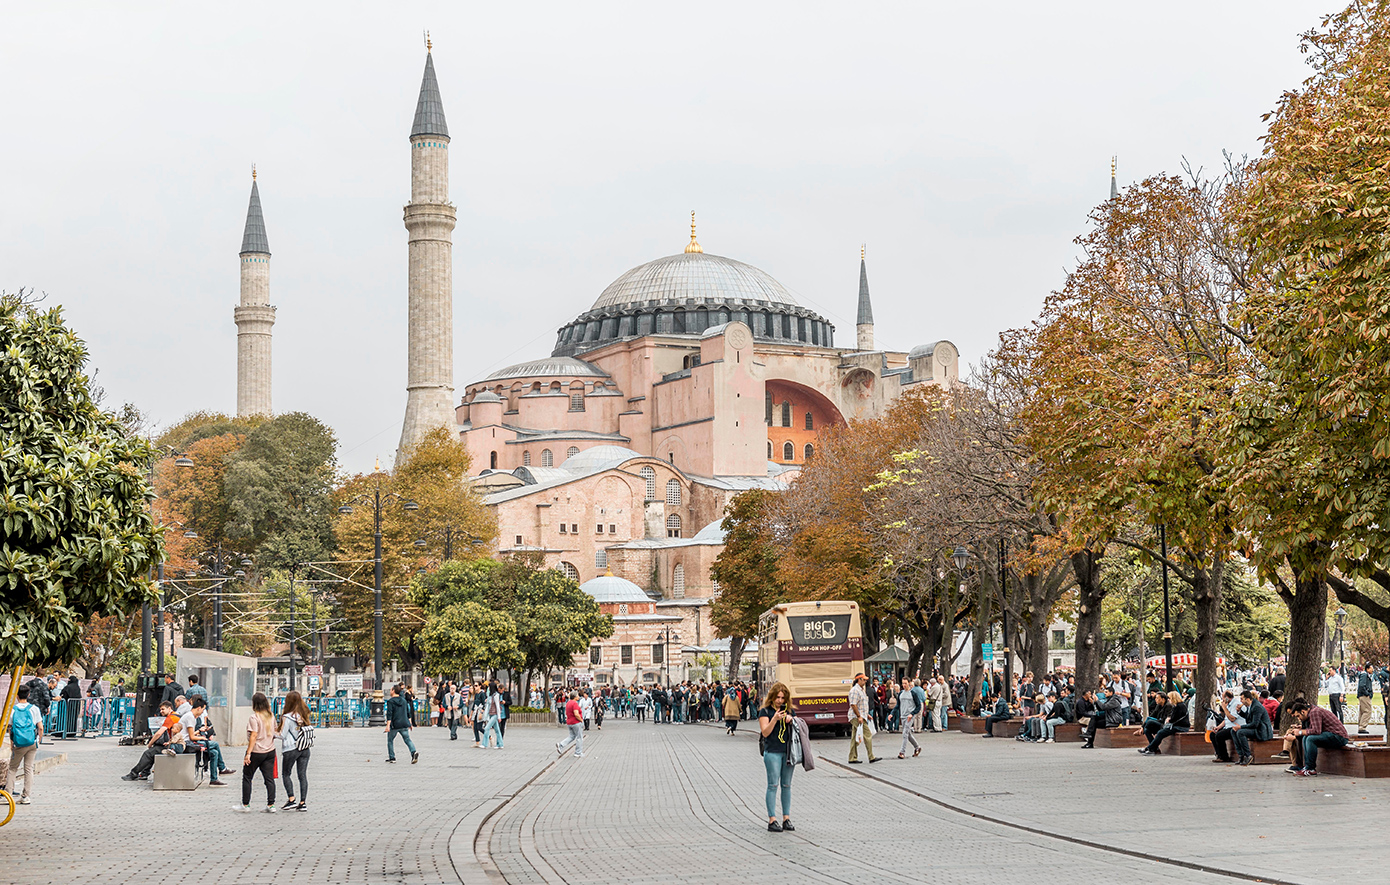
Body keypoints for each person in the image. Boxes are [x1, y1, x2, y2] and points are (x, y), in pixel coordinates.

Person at [759, 682, 797, 833]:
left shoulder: (789, 711)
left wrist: (790, 719)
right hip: (772, 751)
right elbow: (765, 732)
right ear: (772, 697)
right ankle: (772, 819)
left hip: (788, 752)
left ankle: (786, 818)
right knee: (773, 785)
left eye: (782, 698)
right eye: (777, 697)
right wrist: (774, 719)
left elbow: (797, 727)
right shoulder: (765, 712)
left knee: (786, 785)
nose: (780, 701)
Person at [122, 700, 185, 781]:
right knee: (154, 750)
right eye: (160, 709)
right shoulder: (178, 716)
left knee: (148, 753)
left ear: (169, 708)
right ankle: (144, 773)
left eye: (163, 709)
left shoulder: (170, 718)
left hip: (175, 745)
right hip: (178, 743)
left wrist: (150, 743)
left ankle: (133, 774)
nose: (161, 711)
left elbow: (159, 733)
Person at [1285, 699, 1350, 776]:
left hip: (1339, 737)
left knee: (1310, 739)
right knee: (1306, 738)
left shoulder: (1315, 712)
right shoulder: (1311, 712)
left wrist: (1300, 732)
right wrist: (1301, 729)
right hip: (1330, 735)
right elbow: (1313, 729)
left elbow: (1316, 731)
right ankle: (1306, 766)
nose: (1299, 719)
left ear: (1303, 712)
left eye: (1298, 716)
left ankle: (1310, 768)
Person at [6, 684, 42, 805]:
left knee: (12, 768)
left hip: (19, 743)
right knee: (28, 769)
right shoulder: (34, 709)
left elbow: (10, 728)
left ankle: (8, 795)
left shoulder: (12, 710)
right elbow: (40, 727)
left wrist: (12, 743)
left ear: (16, 696)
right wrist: (38, 741)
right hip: (31, 742)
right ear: (28, 695)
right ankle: (26, 796)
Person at [241, 692, 277, 812]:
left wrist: (248, 753)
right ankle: (271, 804)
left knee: (247, 776)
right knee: (269, 778)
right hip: (270, 750)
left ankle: (246, 805)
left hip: (257, 751)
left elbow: (253, 735)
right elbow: (275, 730)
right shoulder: (270, 716)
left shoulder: (254, 717)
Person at [184, 696, 230, 785]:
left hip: (191, 741)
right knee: (215, 744)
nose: (203, 713)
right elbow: (191, 737)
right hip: (187, 743)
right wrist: (201, 737)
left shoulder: (192, 717)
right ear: (198, 708)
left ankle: (214, 778)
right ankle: (222, 768)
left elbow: (192, 733)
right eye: (203, 710)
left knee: (214, 753)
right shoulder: (190, 717)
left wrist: (200, 731)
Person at [277, 690, 311, 811]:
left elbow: (282, 734)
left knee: (286, 774)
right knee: (302, 775)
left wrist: (271, 734)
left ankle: (291, 799)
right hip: (304, 748)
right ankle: (303, 803)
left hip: (291, 748)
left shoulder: (287, 717)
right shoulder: (304, 714)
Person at [1229, 689, 1274, 766]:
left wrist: (1240, 727)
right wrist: (1240, 712)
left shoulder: (1256, 707)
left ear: (1248, 699)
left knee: (1240, 732)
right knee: (1233, 731)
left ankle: (1248, 755)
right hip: (1256, 728)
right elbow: (1248, 717)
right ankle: (1241, 755)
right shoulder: (1250, 706)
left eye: (1242, 699)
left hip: (1261, 731)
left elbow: (1254, 724)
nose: (1241, 701)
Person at [1138, 690, 1190, 756]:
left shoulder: (1179, 706)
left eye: (1169, 698)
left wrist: (1169, 720)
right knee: (1149, 729)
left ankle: (1150, 748)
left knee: (1160, 732)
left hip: (1181, 727)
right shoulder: (1177, 706)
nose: (1168, 700)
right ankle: (1152, 748)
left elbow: (1174, 719)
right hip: (1176, 725)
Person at [386, 683, 419, 763]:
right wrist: (410, 723)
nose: (390, 691)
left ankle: (392, 757)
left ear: (393, 691)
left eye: (391, 690)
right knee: (407, 739)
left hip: (395, 724)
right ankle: (413, 752)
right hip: (404, 723)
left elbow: (389, 714)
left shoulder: (391, 701)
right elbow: (408, 712)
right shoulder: (403, 700)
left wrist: (388, 725)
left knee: (390, 740)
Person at [896, 677, 922, 759]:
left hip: (909, 716)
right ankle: (917, 747)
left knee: (905, 734)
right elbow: (898, 705)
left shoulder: (913, 693)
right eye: (903, 683)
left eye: (905, 683)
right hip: (903, 716)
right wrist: (892, 714)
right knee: (908, 734)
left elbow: (918, 706)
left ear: (909, 683)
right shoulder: (901, 693)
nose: (904, 685)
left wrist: (912, 713)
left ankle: (902, 752)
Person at [555, 691, 585, 758]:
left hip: (569, 722)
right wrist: (581, 720)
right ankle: (578, 753)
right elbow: (576, 713)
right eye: (577, 695)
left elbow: (566, 712)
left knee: (571, 736)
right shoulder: (575, 703)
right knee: (579, 737)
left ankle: (561, 745)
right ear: (575, 697)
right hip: (576, 722)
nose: (578, 696)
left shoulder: (568, 703)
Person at [482, 681, 505, 749]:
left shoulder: (496, 695)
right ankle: (500, 744)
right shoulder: (490, 695)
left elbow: (498, 706)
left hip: (495, 714)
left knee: (486, 728)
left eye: (489, 687)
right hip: (491, 714)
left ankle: (484, 744)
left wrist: (499, 717)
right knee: (497, 730)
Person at [1356, 663, 1375, 735]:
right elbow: (1362, 685)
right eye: (1371, 668)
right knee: (1367, 711)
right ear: (1367, 669)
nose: (1372, 670)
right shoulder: (1364, 675)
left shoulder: (1364, 675)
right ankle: (1362, 727)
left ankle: (1361, 726)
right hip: (1364, 695)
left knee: (1362, 711)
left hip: (1362, 695)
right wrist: (1367, 693)